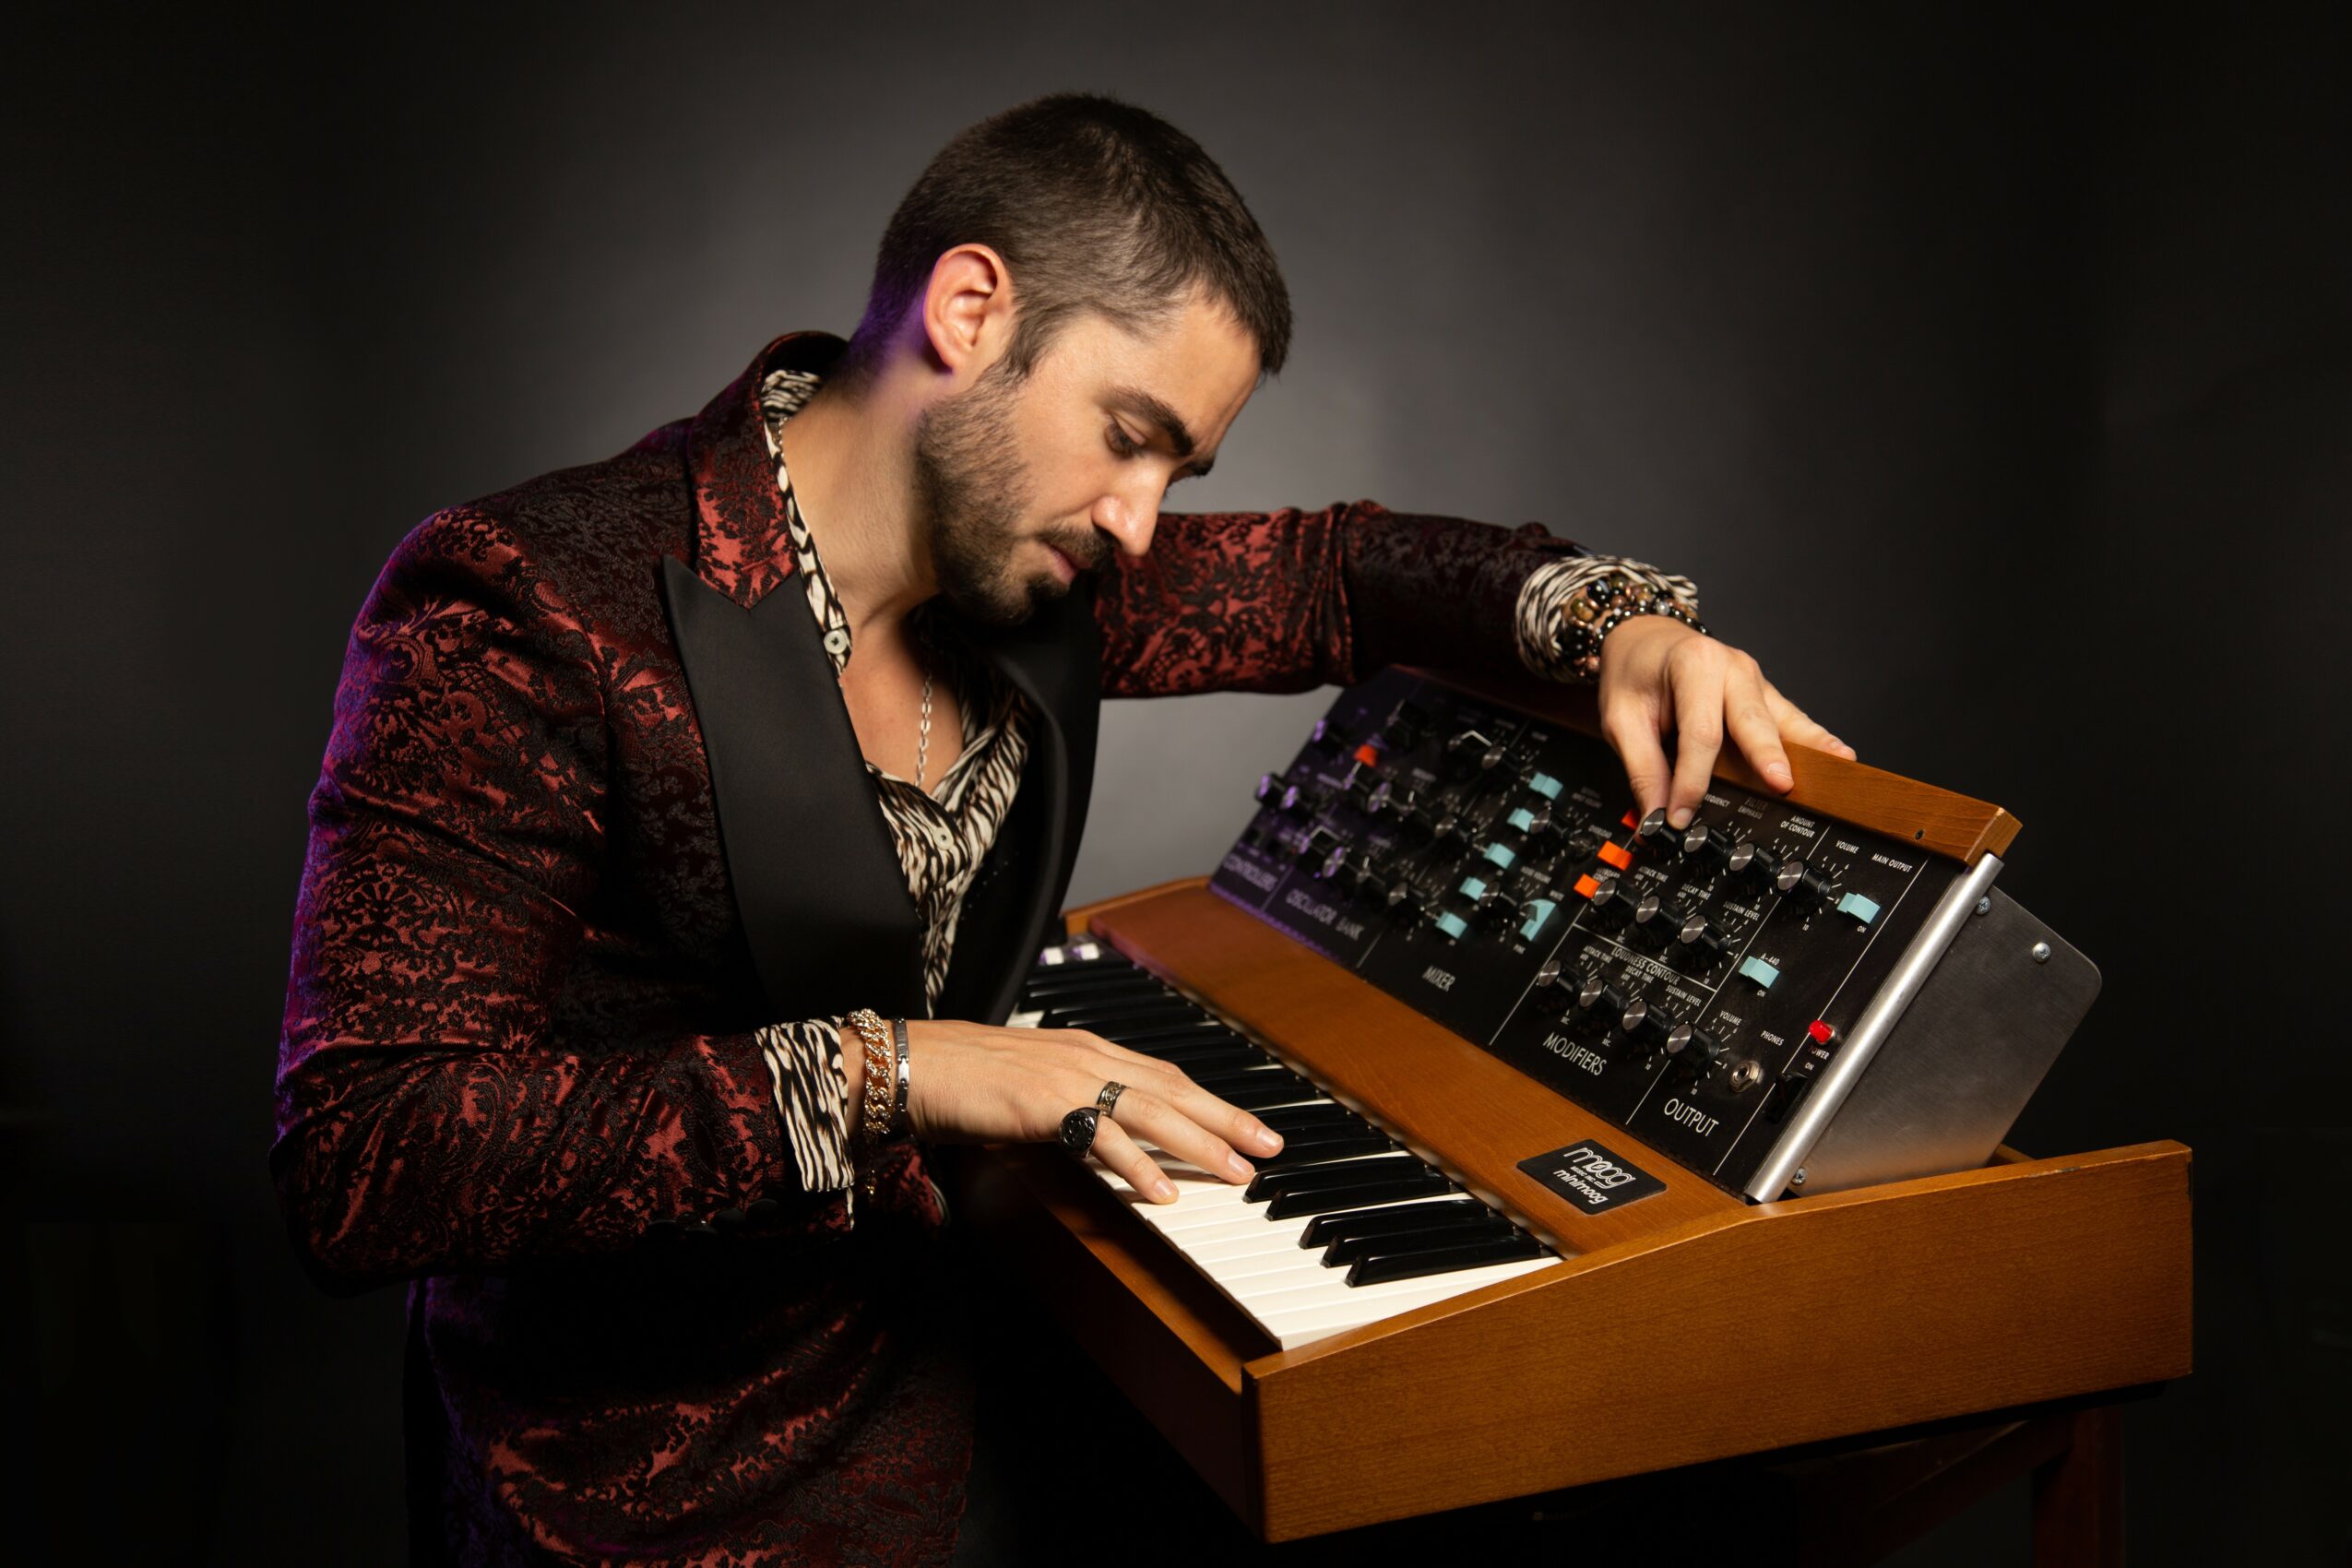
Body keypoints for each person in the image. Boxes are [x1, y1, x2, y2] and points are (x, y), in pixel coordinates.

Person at [273, 93, 1850, 1566]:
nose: (1139, 521)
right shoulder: (527, 598)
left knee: (1657, 1490)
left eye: (1180, 467)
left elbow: (1336, 575)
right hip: (671, 1484)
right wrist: (898, 1071)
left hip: (973, 1342)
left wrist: (1618, 623)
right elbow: (366, 1155)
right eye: (1129, 433)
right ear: (970, 312)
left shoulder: (1035, 566)